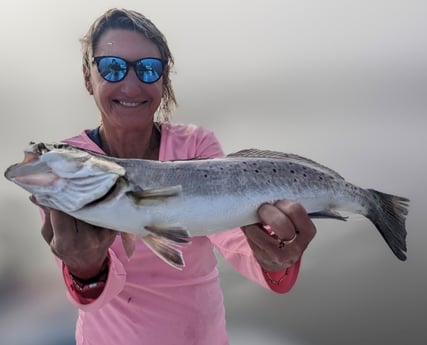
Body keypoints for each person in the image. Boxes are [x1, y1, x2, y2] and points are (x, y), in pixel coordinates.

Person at [35, 8, 316, 345]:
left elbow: (230, 233)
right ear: (87, 76)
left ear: (163, 79)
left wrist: (275, 254)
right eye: (112, 68)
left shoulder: (195, 145)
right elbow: (97, 293)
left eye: (149, 70)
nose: (130, 84)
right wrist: (85, 269)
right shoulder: (69, 164)